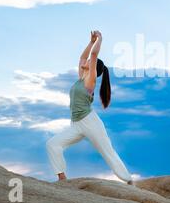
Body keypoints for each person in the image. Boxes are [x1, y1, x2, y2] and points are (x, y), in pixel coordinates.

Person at [46, 30, 133, 185]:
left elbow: (92, 57)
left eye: (89, 62)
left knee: (108, 152)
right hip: (76, 124)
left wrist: (100, 39)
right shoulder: (81, 78)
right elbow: (82, 57)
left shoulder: (90, 81)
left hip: (90, 122)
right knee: (53, 144)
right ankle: (62, 178)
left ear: (93, 68)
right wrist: (91, 42)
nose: (83, 62)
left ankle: (128, 180)